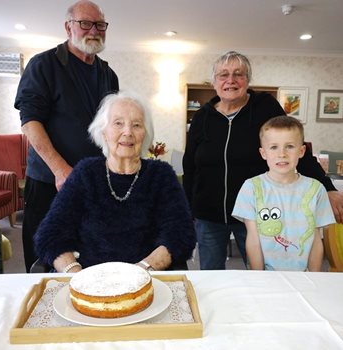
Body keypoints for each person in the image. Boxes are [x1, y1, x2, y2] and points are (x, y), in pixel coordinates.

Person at [183, 50, 343, 270]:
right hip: (208, 215)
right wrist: (187, 210)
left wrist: (328, 187)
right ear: (214, 82)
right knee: (210, 274)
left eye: (238, 74)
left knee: (260, 273)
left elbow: (295, 145)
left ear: (247, 80)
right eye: (223, 75)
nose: (231, 80)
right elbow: (189, 165)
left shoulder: (265, 107)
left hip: (258, 213)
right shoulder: (202, 117)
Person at [33, 91, 196, 273]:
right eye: (118, 123)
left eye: (136, 125)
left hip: (146, 278)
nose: (128, 132)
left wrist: (141, 271)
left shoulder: (161, 175)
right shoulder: (85, 173)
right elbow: (50, 234)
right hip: (87, 277)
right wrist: (76, 275)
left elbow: (180, 234)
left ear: (145, 134)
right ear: (103, 131)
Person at [14, 0, 119, 272]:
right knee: (45, 258)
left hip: (93, 184)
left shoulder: (108, 74)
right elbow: (30, 122)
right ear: (68, 27)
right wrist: (61, 171)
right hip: (51, 182)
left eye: (99, 25)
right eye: (85, 23)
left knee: (90, 257)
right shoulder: (43, 65)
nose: (93, 30)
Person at [232, 116, 335, 271]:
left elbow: (315, 240)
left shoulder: (316, 189)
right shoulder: (251, 188)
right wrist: (259, 276)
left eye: (290, 146)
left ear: (301, 151)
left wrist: (314, 276)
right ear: (263, 153)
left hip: (304, 275)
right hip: (266, 275)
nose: (282, 154)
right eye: (274, 147)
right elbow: (253, 239)